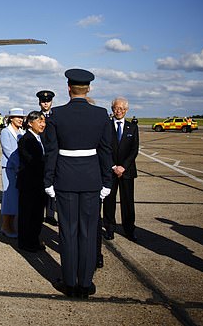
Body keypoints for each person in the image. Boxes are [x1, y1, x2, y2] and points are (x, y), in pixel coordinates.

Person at [43, 69, 112, 298]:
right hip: (92, 179)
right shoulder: (101, 114)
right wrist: (107, 182)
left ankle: (70, 282)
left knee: (68, 232)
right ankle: (85, 282)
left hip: (65, 179)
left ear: (68, 88)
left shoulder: (57, 115)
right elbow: (105, 151)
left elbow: (51, 152)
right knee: (88, 232)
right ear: (88, 89)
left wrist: (48, 181)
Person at [103, 97, 139, 242]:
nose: (119, 111)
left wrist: (123, 167)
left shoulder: (132, 127)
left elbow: (134, 150)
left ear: (126, 110)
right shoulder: (106, 126)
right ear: (112, 109)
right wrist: (113, 166)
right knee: (109, 201)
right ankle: (110, 229)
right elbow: (104, 148)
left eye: (122, 109)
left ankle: (129, 230)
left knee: (128, 202)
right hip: (110, 171)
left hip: (127, 171)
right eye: (116, 108)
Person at [16, 111, 47, 252]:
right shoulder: (26, 140)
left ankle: (33, 240)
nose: (43, 124)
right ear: (30, 123)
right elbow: (33, 162)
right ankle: (25, 243)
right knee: (27, 215)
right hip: (29, 184)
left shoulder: (39, 138)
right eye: (39, 121)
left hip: (39, 184)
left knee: (37, 215)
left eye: (44, 121)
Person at [0, 108, 25, 238]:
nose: (21, 119)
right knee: (9, 197)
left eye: (22, 117)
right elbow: (8, 150)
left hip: (19, 169)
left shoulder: (22, 132)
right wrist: (20, 165)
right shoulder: (5, 132)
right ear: (11, 119)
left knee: (16, 199)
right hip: (9, 168)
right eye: (17, 117)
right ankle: (5, 226)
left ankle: (13, 225)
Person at [37, 90, 57, 226]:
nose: (45, 103)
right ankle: (39, 212)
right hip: (40, 155)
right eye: (43, 101)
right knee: (40, 186)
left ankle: (50, 214)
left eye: (48, 101)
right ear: (39, 102)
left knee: (52, 185)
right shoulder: (35, 117)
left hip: (54, 154)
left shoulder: (57, 116)